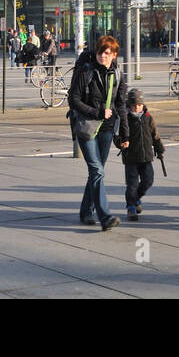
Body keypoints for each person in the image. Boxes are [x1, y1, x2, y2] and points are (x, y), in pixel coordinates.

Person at [67, 36, 129, 231]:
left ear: (114, 54)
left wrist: (125, 134)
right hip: (86, 126)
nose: (102, 55)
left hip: (107, 128)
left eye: (106, 53)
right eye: (100, 52)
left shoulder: (117, 75)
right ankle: (105, 216)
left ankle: (86, 211)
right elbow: (74, 99)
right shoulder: (86, 72)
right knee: (97, 171)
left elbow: (121, 105)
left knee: (97, 173)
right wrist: (97, 112)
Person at [119, 89, 164, 221]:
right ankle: (131, 207)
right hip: (131, 157)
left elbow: (155, 135)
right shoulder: (125, 119)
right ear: (129, 105)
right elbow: (117, 135)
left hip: (146, 157)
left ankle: (136, 198)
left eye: (139, 105)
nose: (137, 108)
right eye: (134, 105)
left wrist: (159, 149)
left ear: (143, 105)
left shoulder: (148, 117)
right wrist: (121, 143)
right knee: (132, 184)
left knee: (148, 181)